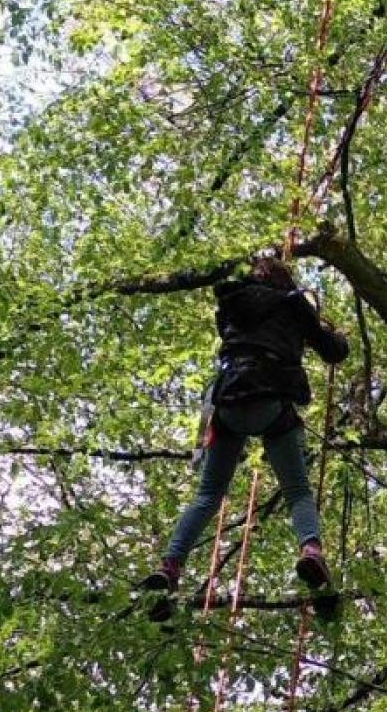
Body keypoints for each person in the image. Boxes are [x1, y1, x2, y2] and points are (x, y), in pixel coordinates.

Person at [141, 257, 349, 621]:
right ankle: (311, 551)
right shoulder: (293, 304)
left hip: (228, 403)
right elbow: (334, 352)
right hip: (271, 401)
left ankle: (170, 565)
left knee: (207, 496)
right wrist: (334, 333)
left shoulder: (230, 306)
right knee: (297, 491)